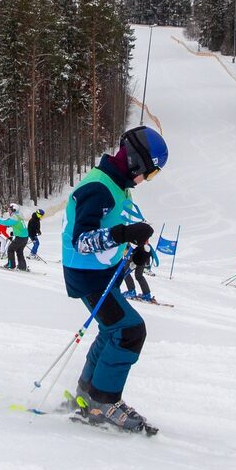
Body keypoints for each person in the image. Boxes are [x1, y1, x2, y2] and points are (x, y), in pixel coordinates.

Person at [63, 125, 167, 432]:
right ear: (135, 161)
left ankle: (87, 395)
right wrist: (124, 234)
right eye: (149, 172)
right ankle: (104, 401)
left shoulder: (117, 185)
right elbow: (82, 241)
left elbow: (110, 230)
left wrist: (132, 251)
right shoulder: (98, 187)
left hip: (99, 272)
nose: (146, 179)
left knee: (113, 329)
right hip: (87, 275)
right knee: (130, 331)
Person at [0, 204, 30, 271]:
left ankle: (11, 265)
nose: (9, 211)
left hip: (20, 237)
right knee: (19, 251)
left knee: (10, 249)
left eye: (10, 210)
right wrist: (15, 232)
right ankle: (22, 267)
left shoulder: (15, 217)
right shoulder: (19, 216)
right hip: (25, 237)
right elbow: (19, 226)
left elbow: (6, 223)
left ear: (14, 210)